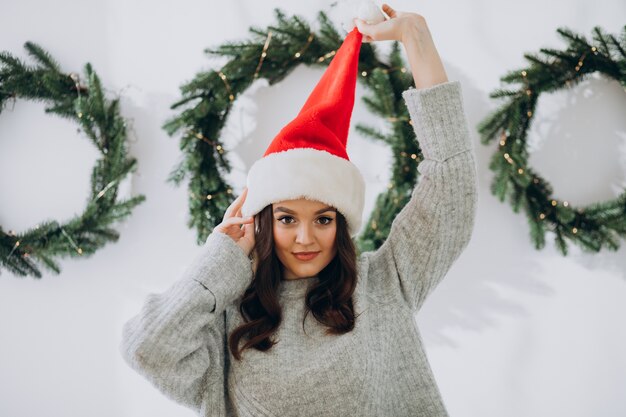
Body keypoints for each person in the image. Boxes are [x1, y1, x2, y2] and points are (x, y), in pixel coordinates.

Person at [120, 4, 478, 416]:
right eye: (287, 218)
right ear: (262, 221)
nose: (305, 238)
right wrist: (221, 259)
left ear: (341, 224)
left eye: (323, 219)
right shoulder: (228, 316)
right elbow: (147, 349)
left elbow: (451, 188)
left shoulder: (382, 284)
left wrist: (416, 36)